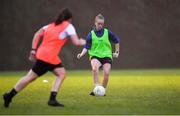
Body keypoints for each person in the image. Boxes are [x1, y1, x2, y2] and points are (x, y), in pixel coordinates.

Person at [3, 8, 86, 108]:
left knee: (61, 73)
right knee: (30, 77)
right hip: (48, 57)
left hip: (45, 55)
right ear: (69, 19)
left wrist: (33, 49)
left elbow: (37, 34)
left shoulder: (50, 25)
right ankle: (9, 95)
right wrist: (84, 42)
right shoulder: (69, 26)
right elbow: (76, 42)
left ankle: (52, 99)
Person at [77, 14, 120, 96]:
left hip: (107, 55)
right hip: (95, 55)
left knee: (106, 73)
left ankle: (102, 91)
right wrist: (81, 54)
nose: (100, 25)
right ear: (95, 23)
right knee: (94, 68)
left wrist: (117, 52)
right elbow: (86, 47)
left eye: (102, 24)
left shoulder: (107, 32)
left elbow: (116, 40)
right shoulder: (91, 34)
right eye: (99, 23)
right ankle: (96, 89)